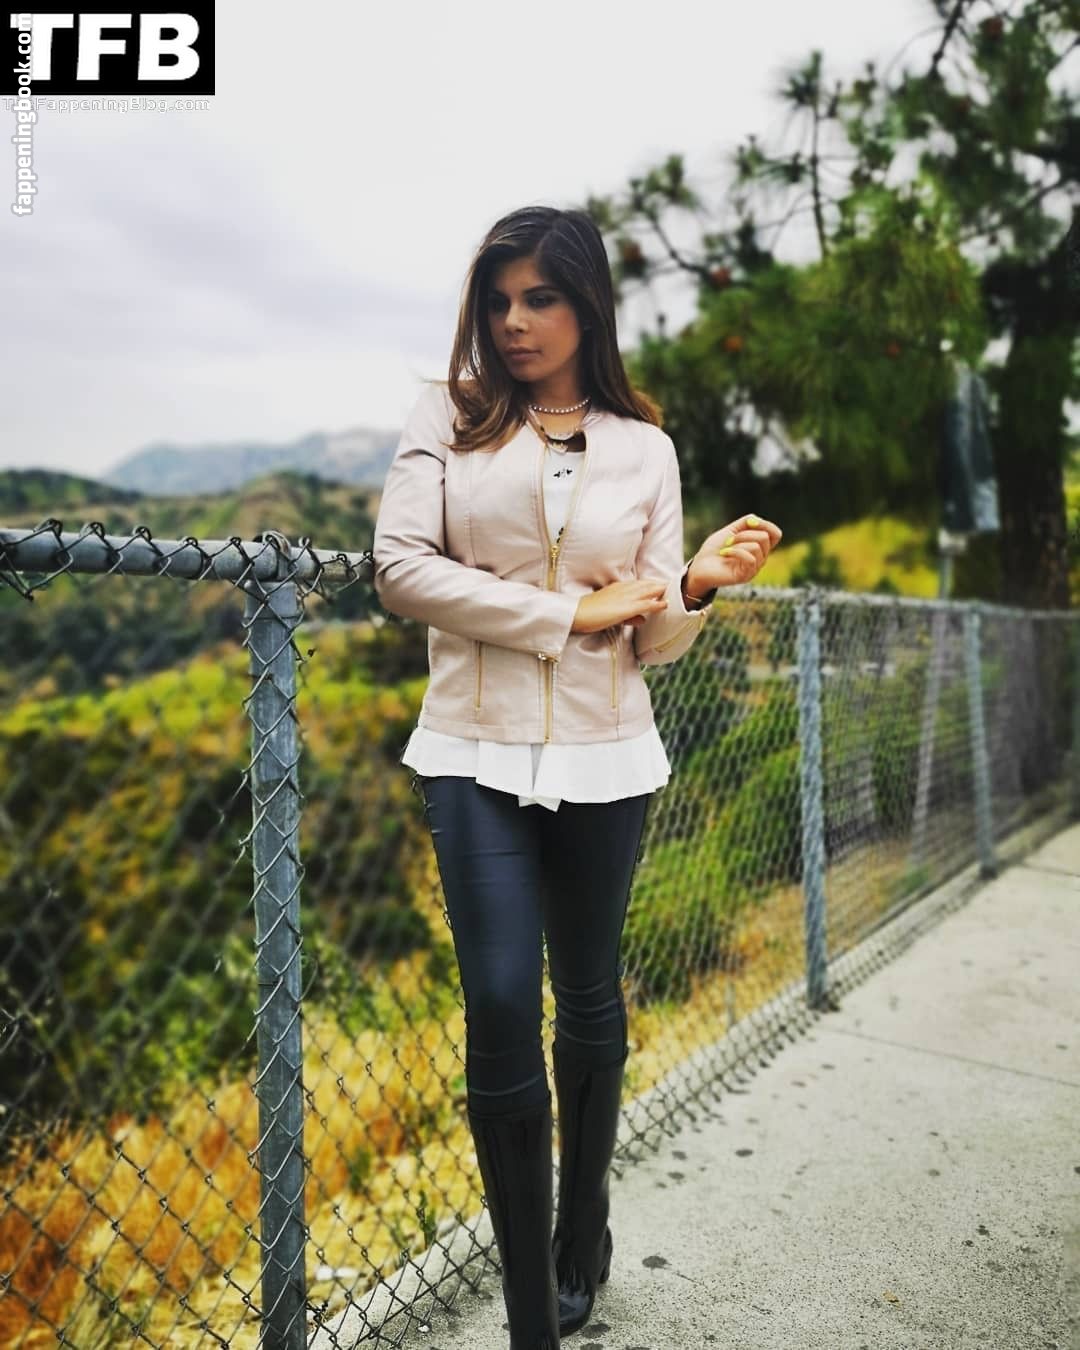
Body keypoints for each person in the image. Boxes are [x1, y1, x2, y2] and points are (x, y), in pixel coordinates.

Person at [372, 205, 781, 1348]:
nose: (514, 321)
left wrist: (692, 587)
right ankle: (529, 1322)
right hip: (472, 747)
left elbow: (652, 639)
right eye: (498, 300)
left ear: (587, 305)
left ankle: (582, 1224)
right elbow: (399, 570)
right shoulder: (446, 415)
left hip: (608, 751)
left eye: (539, 298)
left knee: (589, 995)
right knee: (503, 1000)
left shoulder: (646, 447)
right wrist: (564, 613)